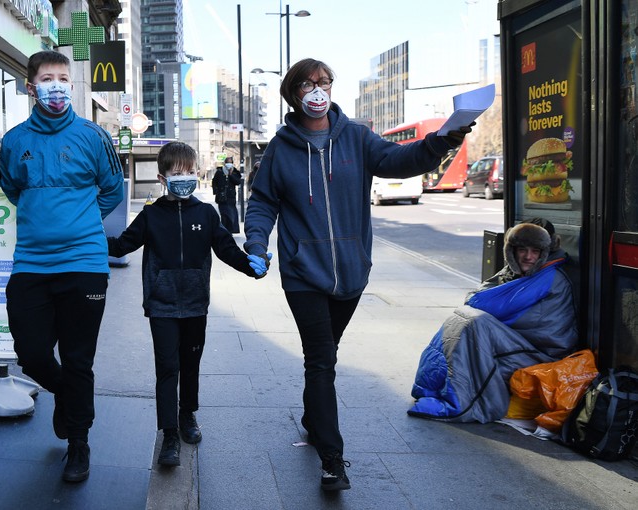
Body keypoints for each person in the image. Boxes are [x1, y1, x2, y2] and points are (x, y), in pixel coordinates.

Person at [242, 58, 473, 491]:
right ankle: (332, 459)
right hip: (302, 273)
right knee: (321, 359)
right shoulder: (280, 148)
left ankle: (314, 416)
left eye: (324, 82)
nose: (317, 91)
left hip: (351, 272)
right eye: (308, 84)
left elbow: (402, 159)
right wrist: (256, 244)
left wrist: (444, 140)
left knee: (325, 357)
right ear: (293, 93)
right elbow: (262, 203)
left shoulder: (356, 138)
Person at [0, 50, 124, 484]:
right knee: (31, 353)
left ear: (71, 85)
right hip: (31, 263)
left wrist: (80, 221)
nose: (56, 84)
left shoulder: (92, 136)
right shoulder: (14, 141)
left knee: (77, 358)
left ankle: (78, 443)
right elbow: (13, 188)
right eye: (47, 78)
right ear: (31, 85)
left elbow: (112, 190)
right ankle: (68, 398)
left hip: (85, 263)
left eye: (63, 78)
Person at [107, 141, 270, 466]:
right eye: (177, 173)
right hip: (162, 306)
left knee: (190, 366)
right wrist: (87, 239)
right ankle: (169, 434)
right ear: (162, 176)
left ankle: (188, 416)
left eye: (190, 172)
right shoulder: (151, 215)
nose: (185, 177)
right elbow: (123, 245)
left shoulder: (206, 214)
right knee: (167, 369)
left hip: (196, 304)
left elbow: (226, 248)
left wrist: (252, 265)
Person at [408, 220, 579, 423]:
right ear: (512, 251)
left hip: (541, 355)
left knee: (475, 323)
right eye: (522, 250)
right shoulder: (516, 272)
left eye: (535, 251)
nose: (528, 256)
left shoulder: (549, 278)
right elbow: (476, 298)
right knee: (462, 317)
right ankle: (429, 388)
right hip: (520, 344)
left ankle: (461, 406)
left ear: (545, 252)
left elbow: (485, 304)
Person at [212, 156, 242, 233]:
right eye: (228, 162)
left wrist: (231, 175)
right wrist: (216, 191)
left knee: (231, 214)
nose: (229, 164)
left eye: (230, 162)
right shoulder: (220, 171)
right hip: (221, 197)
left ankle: (231, 230)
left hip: (231, 197)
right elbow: (214, 181)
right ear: (225, 163)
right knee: (224, 214)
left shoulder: (235, 172)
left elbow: (238, 182)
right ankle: (224, 230)